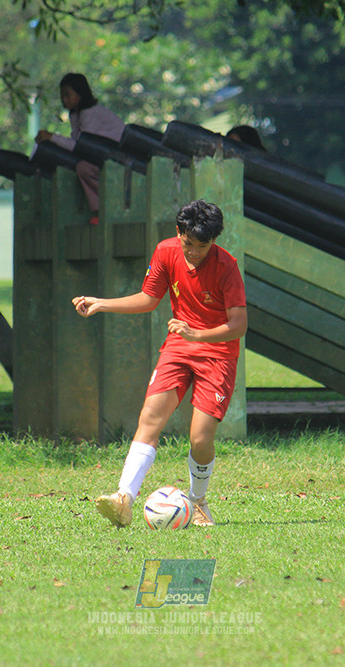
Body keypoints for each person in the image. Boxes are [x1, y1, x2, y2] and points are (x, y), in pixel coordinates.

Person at [72, 200, 247, 528]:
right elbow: (148, 298)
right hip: (179, 347)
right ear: (178, 233)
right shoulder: (166, 251)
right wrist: (101, 303)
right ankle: (124, 499)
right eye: (189, 244)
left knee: (199, 438)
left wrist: (197, 333)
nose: (194, 252)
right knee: (150, 417)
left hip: (218, 353)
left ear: (214, 241)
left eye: (203, 246)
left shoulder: (227, 266)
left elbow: (239, 325)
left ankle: (197, 501)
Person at [35, 73, 125, 225]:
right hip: (99, 155)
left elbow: (81, 146)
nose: (64, 99)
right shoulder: (76, 115)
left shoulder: (89, 113)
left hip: (115, 156)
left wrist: (53, 138)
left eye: (68, 95)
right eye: (62, 96)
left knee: (84, 168)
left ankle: (103, 207)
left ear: (80, 94)